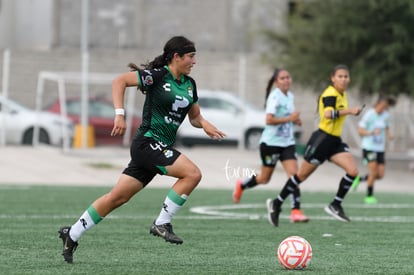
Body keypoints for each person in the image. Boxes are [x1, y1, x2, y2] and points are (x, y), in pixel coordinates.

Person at [58, 36, 226, 263]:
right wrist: (119, 114)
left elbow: (194, 117)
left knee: (116, 198)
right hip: (147, 142)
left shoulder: (189, 84)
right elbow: (119, 81)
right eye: (191, 56)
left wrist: (205, 125)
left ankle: (73, 233)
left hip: (158, 147)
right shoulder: (157, 76)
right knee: (192, 173)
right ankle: (161, 223)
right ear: (176, 57)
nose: (194, 61)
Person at [265, 64, 364, 226]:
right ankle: (276, 203)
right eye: (340, 76)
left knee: (353, 171)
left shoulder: (342, 93)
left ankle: (335, 204)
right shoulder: (330, 93)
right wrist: (349, 111)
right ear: (333, 78)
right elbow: (328, 114)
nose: (344, 79)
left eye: (346, 76)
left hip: (335, 141)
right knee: (300, 177)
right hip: (322, 140)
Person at [232, 68, 309, 223]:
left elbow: (289, 115)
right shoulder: (275, 97)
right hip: (271, 144)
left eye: (288, 77)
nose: (286, 80)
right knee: (264, 179)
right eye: (282, 78)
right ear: (276, 82)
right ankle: (242, 184)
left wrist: (296, 120)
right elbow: (269, 120)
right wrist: (290, 118)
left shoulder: (290, 96)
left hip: (287, 143)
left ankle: (296, 211)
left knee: (294, 177)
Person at [352, 94, 396, 204]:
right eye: (382, 106)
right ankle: (369, 196)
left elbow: (386, 126)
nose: (383, 109)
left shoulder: (386, 115)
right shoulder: (369, 115)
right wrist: (371, 132)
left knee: (380, 175)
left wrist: (389, 134)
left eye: (385, 107)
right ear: (377, 104)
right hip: (369, 147)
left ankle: (360, 179)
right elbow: (360, 131)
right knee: (373, 171)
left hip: (380, 148)